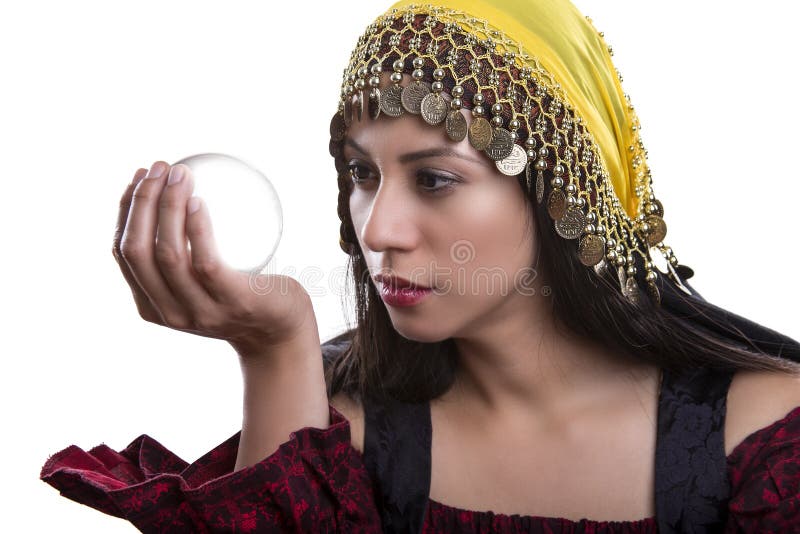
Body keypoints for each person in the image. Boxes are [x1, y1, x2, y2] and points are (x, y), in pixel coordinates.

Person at [41, 0, 800, 532]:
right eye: (363, 174)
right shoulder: (348, 442)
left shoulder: (763, 437)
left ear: (559, 194)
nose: (379, 229)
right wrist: (275, 351)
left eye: (434, 178)